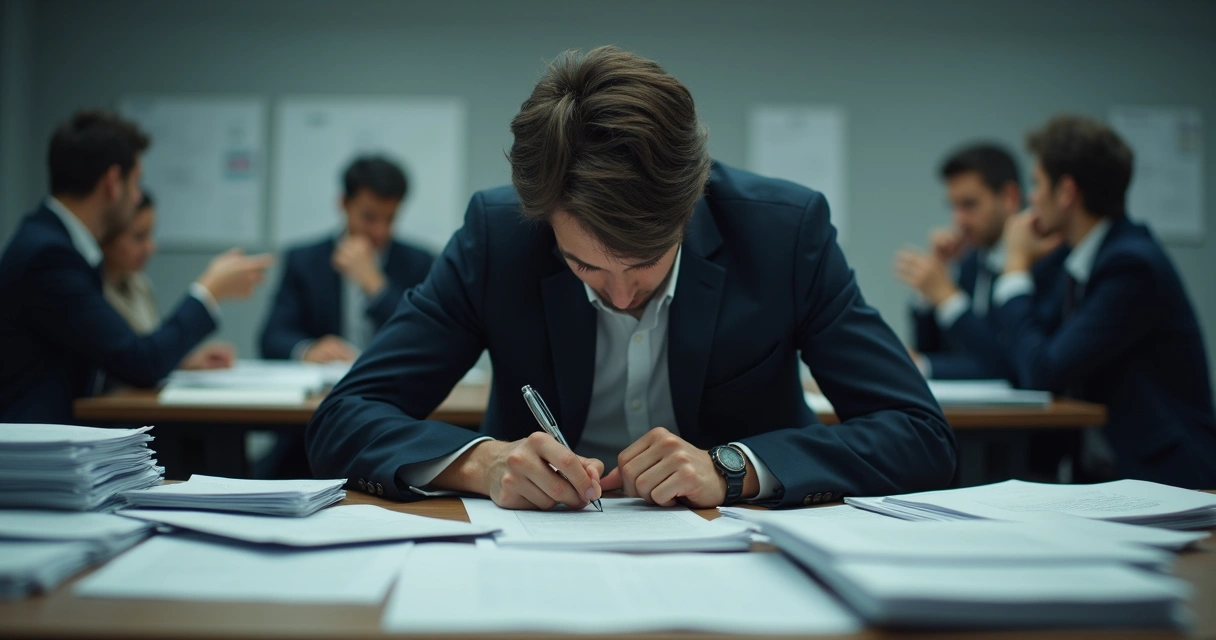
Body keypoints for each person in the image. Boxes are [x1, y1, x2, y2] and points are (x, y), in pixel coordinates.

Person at [307, 46, 955, 510]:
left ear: (690, 204)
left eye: (645, 263)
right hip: (535, 554)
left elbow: (918, 433)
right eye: (584, 265)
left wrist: (731, 468)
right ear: (544, 221)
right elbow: (344, 419)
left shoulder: (783, 234)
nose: (618, 297)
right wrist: (483, 463)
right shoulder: (498, 237)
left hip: (742, 548)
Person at [0, 110, 272, 423]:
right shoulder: (49, 256)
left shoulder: (54, 243)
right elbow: (139, 362)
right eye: (136, 182)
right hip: (37, 442)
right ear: (113, 183)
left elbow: (107, 354)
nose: (137, 195)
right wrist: (209, 290)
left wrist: (180, 361)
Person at [993, 114, 1216, 488]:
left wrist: (1015, 267)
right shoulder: (1086, 259)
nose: (1031, 198)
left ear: (1066, 192)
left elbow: (1043, 371)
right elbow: (1025, 350)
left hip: (1169, 478)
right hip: (1107, 472)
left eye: (1037, 183)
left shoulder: (1130, 265)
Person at [895, 143, 1066, 381]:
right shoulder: (971, 261)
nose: (959, 220)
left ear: (1009, 197)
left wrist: (947, 298)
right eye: (953, 206)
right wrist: (931, 287)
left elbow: (1013, 365)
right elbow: (941, 350)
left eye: (969, 205)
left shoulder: (1048, 260)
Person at [259, 156, 435, 363]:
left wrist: (377, 287)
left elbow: (425, 336)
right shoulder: (304, 261)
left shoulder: (419, 262)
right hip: (329, 377)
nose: (380, 231)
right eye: (369, 217)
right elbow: (273, 337)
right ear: (344, 203)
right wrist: (308, 350)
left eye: (390, 218)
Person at [101, 189, 235, 370]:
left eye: (150, 235)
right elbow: (131, 361)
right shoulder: (93, 293)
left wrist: (184, 361)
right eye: (139, 237)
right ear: (106, 237)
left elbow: (149, 351)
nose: (150, 247)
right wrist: (208, 291)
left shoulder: (139, 284)